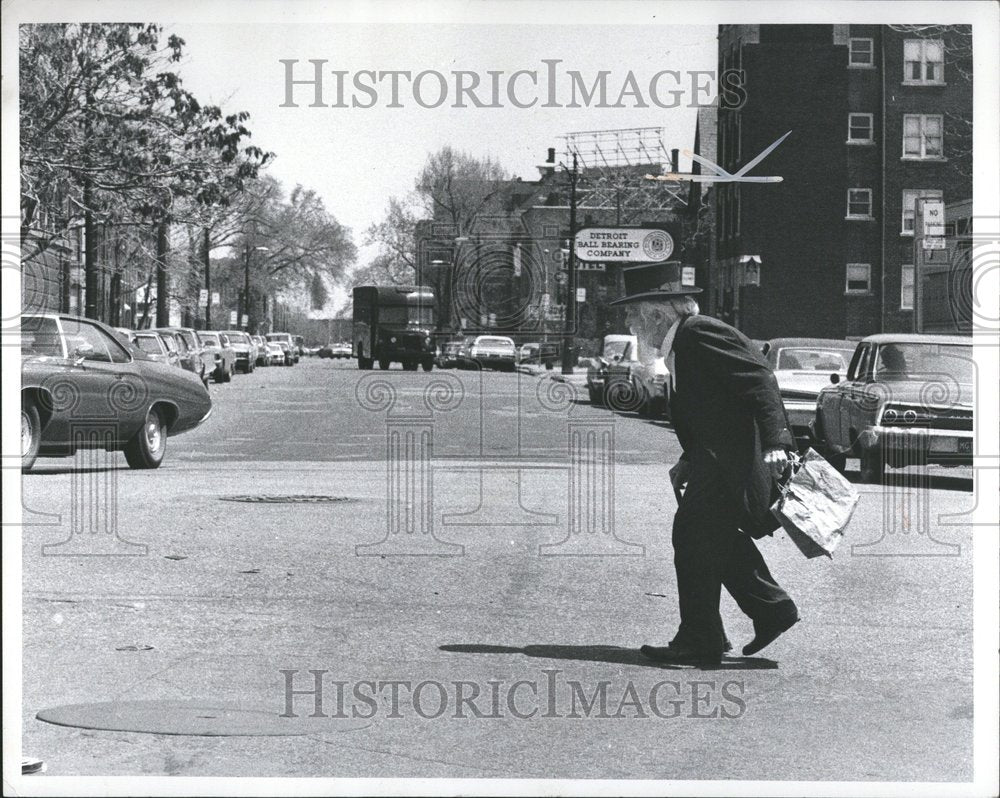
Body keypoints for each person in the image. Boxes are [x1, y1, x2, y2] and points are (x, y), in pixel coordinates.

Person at [610, 261, 800, 665]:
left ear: (657, 312)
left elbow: (760, 378)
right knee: (706, 537)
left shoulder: (700, 333)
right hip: (713, 462)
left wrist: (776, 441)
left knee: (694, 534)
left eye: (632, 312)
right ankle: (764, 611)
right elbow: (709, 412)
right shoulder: (682, 343)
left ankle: (706, 634)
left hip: (730, 463)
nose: (628, 321)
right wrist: (687, 459)